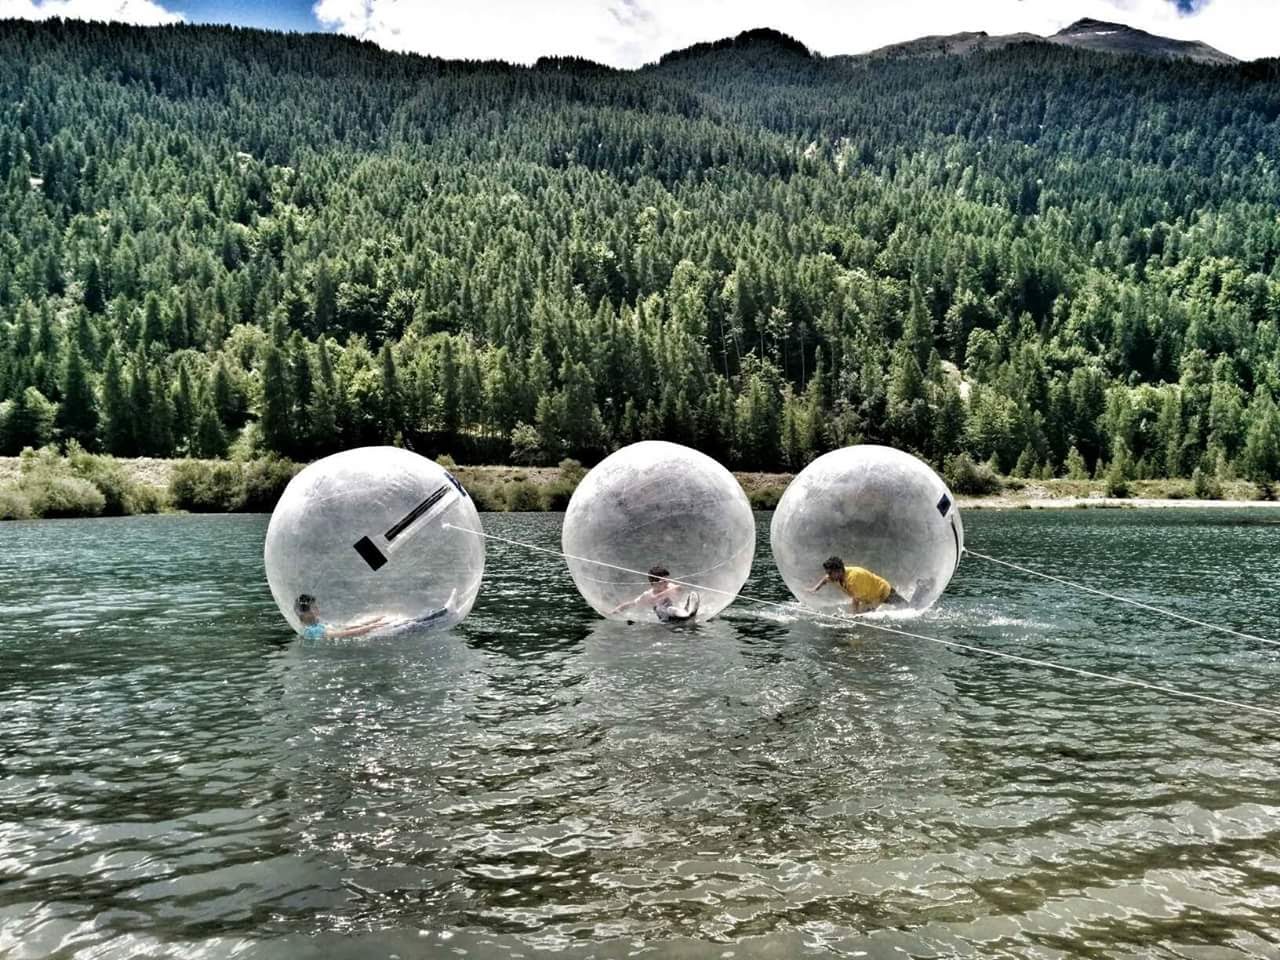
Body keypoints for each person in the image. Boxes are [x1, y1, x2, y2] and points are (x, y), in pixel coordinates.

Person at [809, 556, 909, 614]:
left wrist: (854, 616)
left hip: (883, 592)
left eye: (830, 573)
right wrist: (814, 589)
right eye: (828, 572)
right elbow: (825, 580)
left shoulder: (853, 579)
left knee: (909, 609)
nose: (828, 575)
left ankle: (922, 589)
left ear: (839, 571)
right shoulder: (836, 576)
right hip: (870, 596)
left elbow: (855, 600)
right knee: (866, 614)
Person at [611, 565, 701, 622]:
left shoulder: (671, 586)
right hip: (665, 618)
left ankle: (687, 612)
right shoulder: (648, 595)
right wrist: (615, 611)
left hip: (678, 613)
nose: (667, 583)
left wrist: (680, 588)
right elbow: (632, 603)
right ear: (654, 583)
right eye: (664, 581)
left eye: (667, 580)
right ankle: (683, 614)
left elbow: (682, 589)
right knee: (664, 607)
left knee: (674, 605)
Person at [295, 593, 388, 642]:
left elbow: (344, 628)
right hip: (334, 638)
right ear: (306, 613)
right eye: (314, 608)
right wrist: (372, 627)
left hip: (335, 632)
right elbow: (344, 634)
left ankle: (378, 620)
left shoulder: (315, 623)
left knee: (351, 625)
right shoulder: (312, 631)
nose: (318, 610)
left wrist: (372, 622)